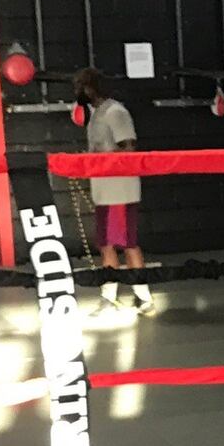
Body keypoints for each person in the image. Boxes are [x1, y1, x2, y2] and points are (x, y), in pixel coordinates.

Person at [75, 68, 154, 315]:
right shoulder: (98, 113)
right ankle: (111, 296)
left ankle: (143, 297)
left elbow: (128, 149)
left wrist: (98, 160)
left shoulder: (115, 112)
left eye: (81, 87)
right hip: (104, 190)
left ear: (90, 88)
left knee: (126, 243)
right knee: (106, 244)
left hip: (119, 190)